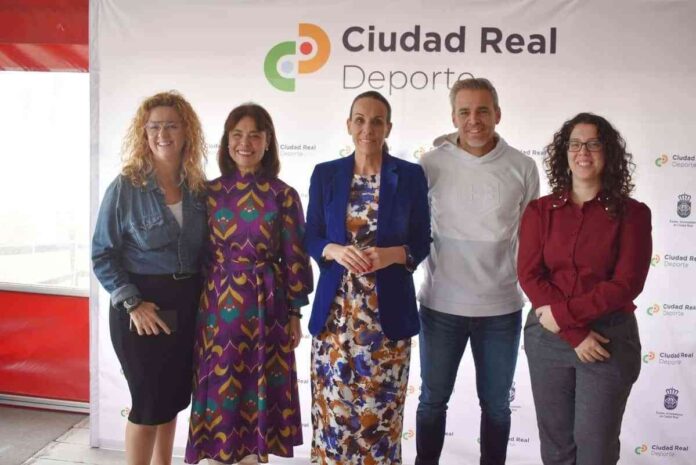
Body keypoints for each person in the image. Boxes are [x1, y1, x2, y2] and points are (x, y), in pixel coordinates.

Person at [415, 77, 540, 465]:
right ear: (453, 117)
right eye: (465, 112)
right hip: (440, 306)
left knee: (497, 407)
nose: (474, 120)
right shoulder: (429, 165)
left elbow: (531, 241)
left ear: (497, 114)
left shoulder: (522, 167)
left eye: (483, 111)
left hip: (501, 309)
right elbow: (414, 231)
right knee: (432, 400)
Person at [304, 91, 431, 464]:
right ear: (349, 125)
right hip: (335, 322)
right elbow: (311, 236)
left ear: (388, 127)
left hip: (385, 324)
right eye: (360, 120)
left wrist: (390, 255)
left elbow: (421, 241)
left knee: (380, 424)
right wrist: (334, 250)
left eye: (377, 121)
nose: (367, 129)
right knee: (333, 421)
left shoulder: (409, 176)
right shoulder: (325, 174)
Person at [518, 113, 652, 465]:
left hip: (607, 340)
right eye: (575, 144)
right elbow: (530, 275)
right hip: (548, 340)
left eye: (593, 144)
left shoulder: (633, 214)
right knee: (557, 449)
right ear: (564, 153)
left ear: (608, 153)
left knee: (596, 450)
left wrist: (564, 316)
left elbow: (627, 284)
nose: (583, 152)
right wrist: (574, 332)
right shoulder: (539, 211)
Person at [185, 103, 313, 465]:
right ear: (226, 142)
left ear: (268, 141)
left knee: (258, 393)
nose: (245, 143)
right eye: (237, 135)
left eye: (255, 135)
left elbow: (295, 258)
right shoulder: (206, 193)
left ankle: (253, 458)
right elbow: (195, 254)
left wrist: (294, 314)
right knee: (220, 387)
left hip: (266, 309)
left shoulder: (283, 195)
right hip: (217, 307)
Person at [92, 91, 208, 465]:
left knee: (171, 399)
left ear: (186, 132)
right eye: (154, 126)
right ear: (144, 133)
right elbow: (102, 254)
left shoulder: (198, 189)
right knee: (146, 402)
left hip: (186, 305)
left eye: (171, 126)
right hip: (141, 309)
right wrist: (133, 303)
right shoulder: (126, 187)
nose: (162, 134)